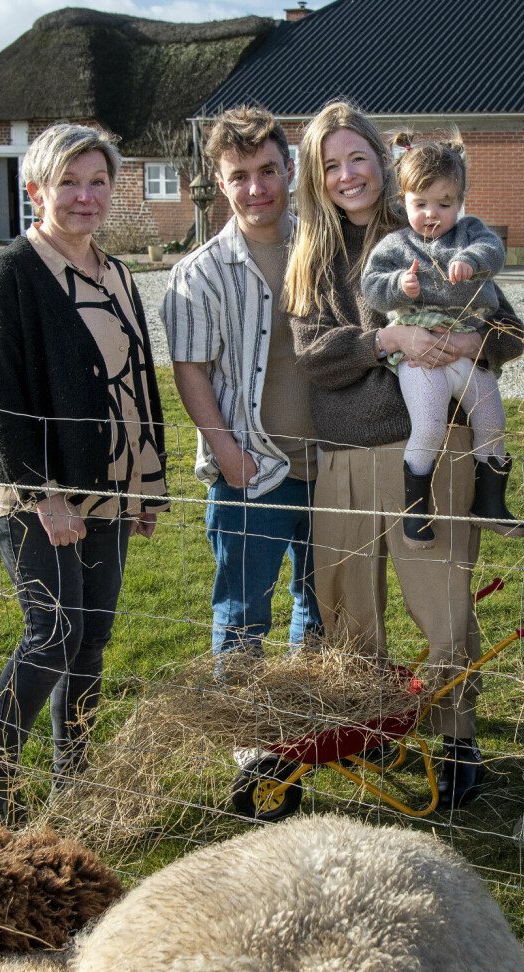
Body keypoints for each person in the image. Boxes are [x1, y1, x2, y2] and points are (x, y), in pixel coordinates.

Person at [285, 101, 524, 809]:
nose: (347, 175)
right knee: (349, 607)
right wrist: (387, 340)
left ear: (381, 163)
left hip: (432, 452)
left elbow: (509, 330)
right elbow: (313, 356)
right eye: (331, 165)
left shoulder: (430, 225)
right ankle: (371, 724)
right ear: (316, 177)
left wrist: (469, 341)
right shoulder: (312, 255)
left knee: (442, 604)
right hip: (344, 455)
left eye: (357, 157)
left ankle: (457, 737)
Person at [0, 123, 169, 827]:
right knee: (53, 635)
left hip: (108, 487)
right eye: (69, 183)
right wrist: (44, 495)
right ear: (36, 191)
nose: (86, 196)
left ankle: (73, 778)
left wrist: (146, 485)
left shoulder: (117, 274)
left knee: (92, 637)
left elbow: (137, 383)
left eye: (98, 182)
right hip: (37, 495)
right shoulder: (12, 276)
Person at [162, 106, 322, 655]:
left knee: (321, 609)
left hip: (330, 466)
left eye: (268, 171)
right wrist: (227, 454)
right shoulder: (198, 273)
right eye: (240, 176)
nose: (257, 188)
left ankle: (309, 706)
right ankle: (240, 708)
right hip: (252, 471)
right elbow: (190, 370)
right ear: (219, 182)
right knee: (242, 616)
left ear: (289, 170)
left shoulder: (322, 250)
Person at [361, 133, 524, 548]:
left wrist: (469, 260)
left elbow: (493, 249)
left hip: (468, 345)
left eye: (445, 204)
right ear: (403, 200)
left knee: (493, 421)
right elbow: (372, 285)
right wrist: (400, 285)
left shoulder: (470, 233)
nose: (432, 214)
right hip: (421, 354)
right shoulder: (397, 245)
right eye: (420, 204)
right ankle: (415, 512)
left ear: (461, 201)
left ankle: (490, 503)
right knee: (430, 425)